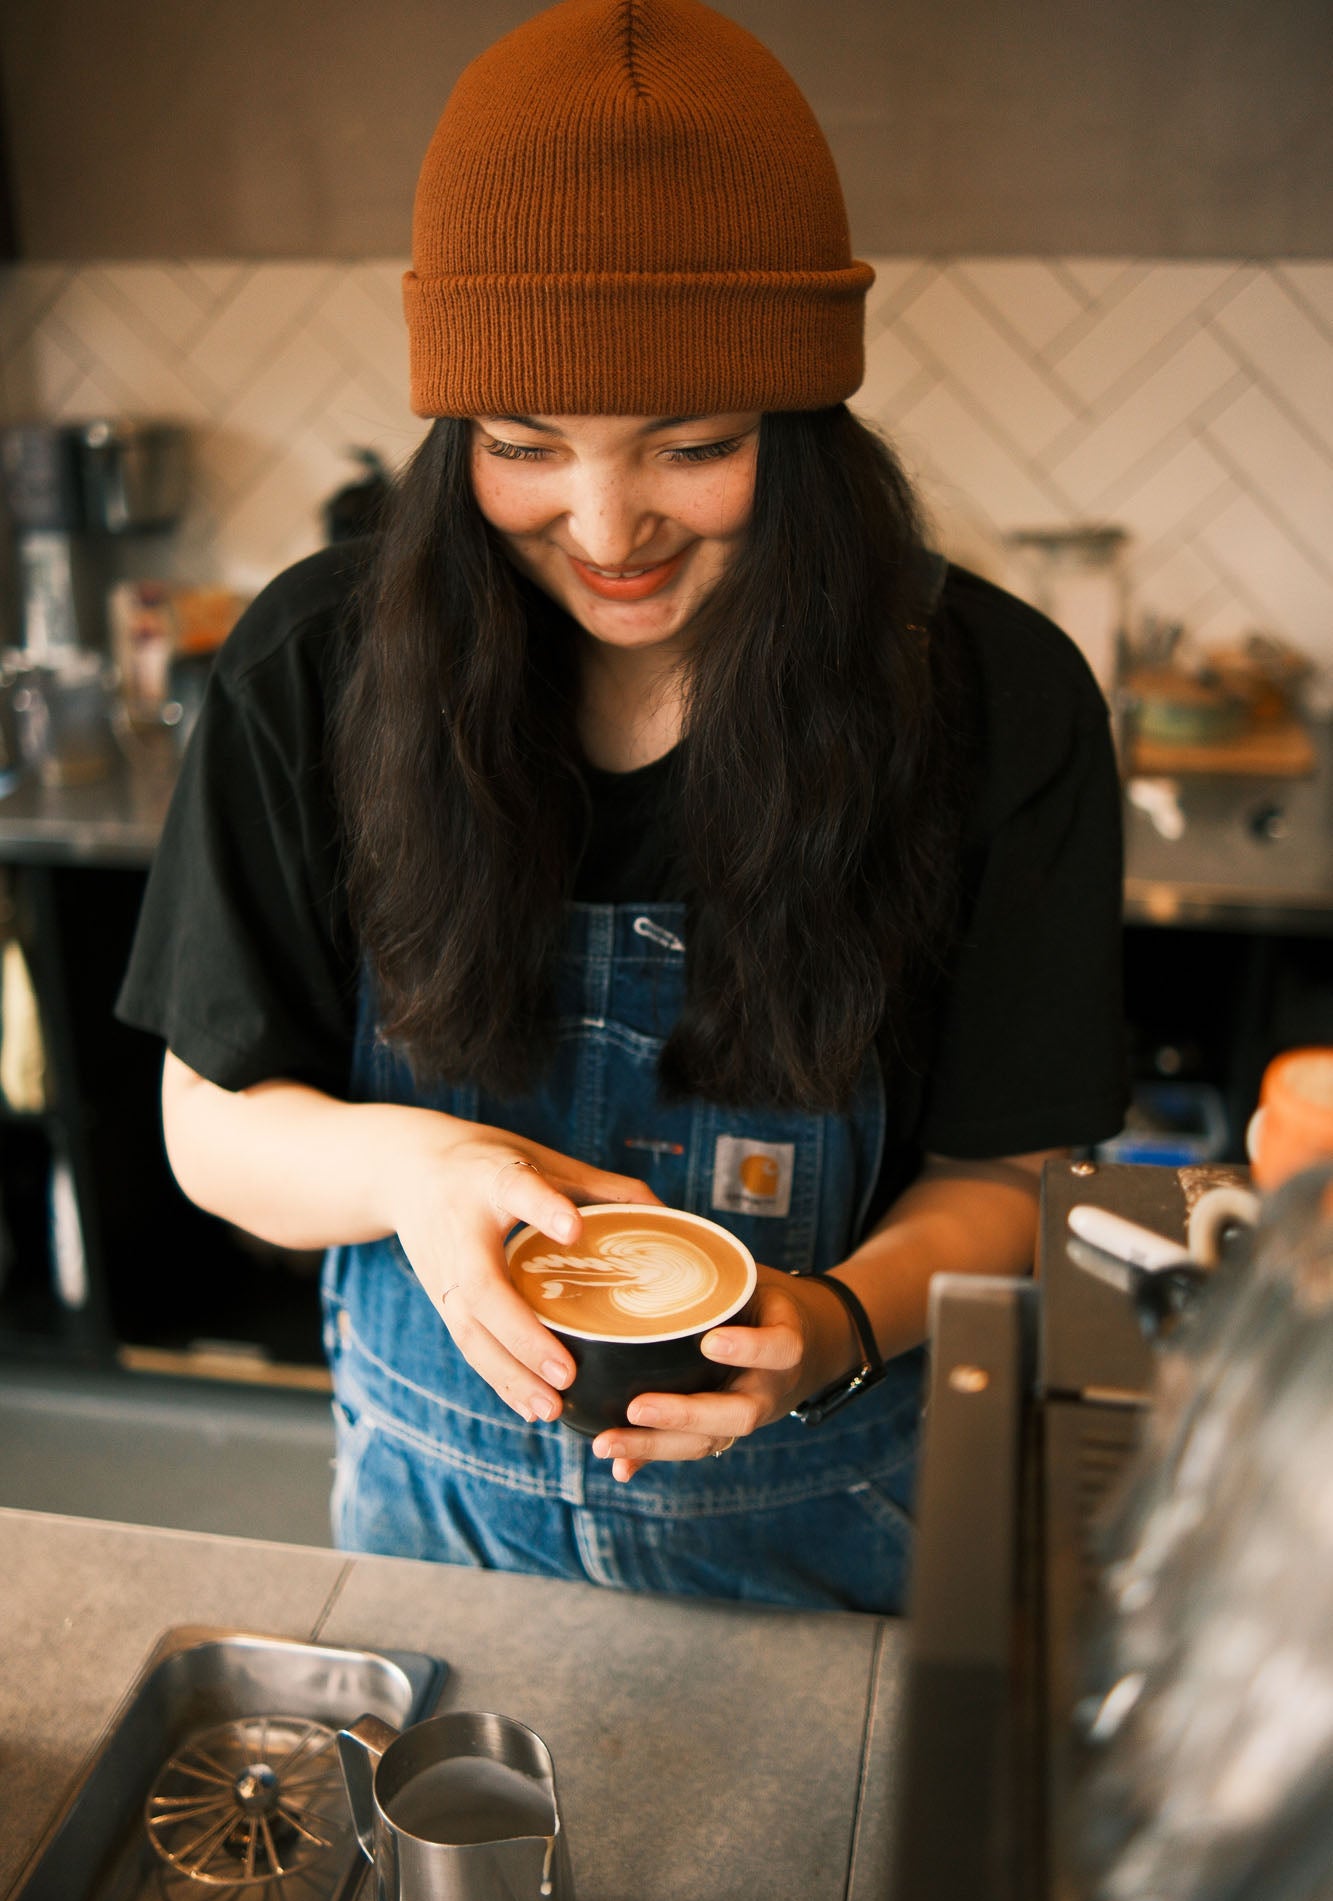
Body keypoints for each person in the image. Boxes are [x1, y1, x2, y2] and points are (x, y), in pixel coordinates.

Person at [116, 0, 1126, 1616]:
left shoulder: (990, 696)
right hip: (433, 1533)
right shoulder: (316, 662)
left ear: (802, 434)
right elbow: (211, 1125)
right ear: (453, 440)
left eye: (694, 446)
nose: (606, 528)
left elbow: (1015, 1174)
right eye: (524, 447)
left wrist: (843, 1322)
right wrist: (411, 1173)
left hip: (833, 1541)